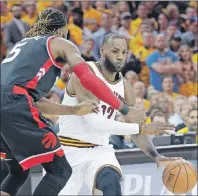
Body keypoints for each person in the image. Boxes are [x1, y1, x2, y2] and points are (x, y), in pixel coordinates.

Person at [0, 9, 146, 196]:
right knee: (60, 171)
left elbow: (33, 100)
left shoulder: (23, 45)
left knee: (18, 171)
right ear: (63, 28)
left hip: (11, 103)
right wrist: (124, 108)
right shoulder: (60, 43)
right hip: (14, 103)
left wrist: (73, 109)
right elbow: (87, 77)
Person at [58, 33, 181, 195]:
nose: (120, 57)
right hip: (69, 150)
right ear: (102, 51)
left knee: (111, 184)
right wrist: (141, 129)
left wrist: (155, 155)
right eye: (115, 51)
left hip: (100, 151)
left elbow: (136, 130)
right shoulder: (85, 74)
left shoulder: (125, 87)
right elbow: (96, 123)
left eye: (124, 52)